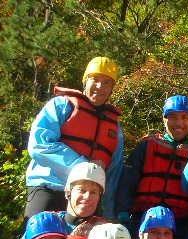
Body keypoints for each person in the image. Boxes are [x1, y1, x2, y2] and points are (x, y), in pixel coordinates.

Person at [25, 56, 123, 219]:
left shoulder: (115, 128)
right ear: (85, 81)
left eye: (107, 83)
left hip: (88, 199)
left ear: (112, 88)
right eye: (95, 79)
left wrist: (109, 213)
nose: (100, 86)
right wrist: (84, 167)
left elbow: (113, 174)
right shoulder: (62, 105)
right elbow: (38, 145)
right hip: (50, 187)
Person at [116, 95, 188, 239]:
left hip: (180, 225)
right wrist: (123, 211)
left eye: (184, 117)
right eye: (172, 117)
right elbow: (128, 180)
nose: (179, 122)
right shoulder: (147, 146)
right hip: (142, 219)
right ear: (164, 119)